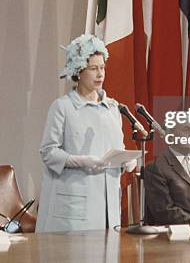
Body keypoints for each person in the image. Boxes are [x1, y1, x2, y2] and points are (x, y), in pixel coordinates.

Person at [36, 34, 135, 232]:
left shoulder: (113, 108)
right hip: (76, 207)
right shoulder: (63, 107)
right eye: (93, 68)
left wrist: (126, 160)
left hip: (108, 206)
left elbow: (117, 147)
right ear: (78, 71)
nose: (100, 74)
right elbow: (48, 152)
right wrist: (80, 160)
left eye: (102, 68)